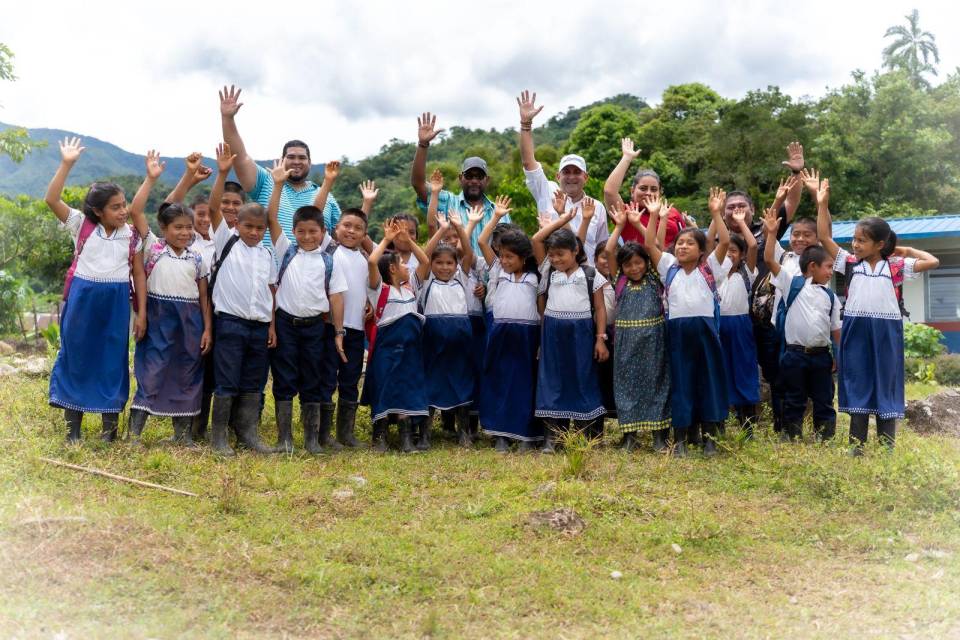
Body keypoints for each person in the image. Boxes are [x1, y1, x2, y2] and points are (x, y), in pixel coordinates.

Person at [815, 178, 940, 453]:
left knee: (886, 381)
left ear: (880, 244)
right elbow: (823, 237)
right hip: (856, 329)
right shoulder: (849, 264)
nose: (855, 244)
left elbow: (933, 261)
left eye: (862, 241)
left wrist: (907, 250)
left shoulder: (896, 266)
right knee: (858, 379)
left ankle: (887, 446)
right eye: (855, 240)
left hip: (886, 332)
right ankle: (856, 446)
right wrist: (822, 204)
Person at [44, 137, 146, 443]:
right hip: (82, 299)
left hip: (117, 303)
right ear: (98, 212)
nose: (123, 211)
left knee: (113, 360)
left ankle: (108, 431)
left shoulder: (131, 235)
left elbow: (139, 273)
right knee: (77, 355)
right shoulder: (81, 225)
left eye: (124, 204)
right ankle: (71, 430)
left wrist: (141, 313)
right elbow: (51, 199)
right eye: (115, 207)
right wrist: (67, 163)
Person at [127, 152, 212, 445]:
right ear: (164, 229)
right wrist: (151, 179)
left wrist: (208, 329)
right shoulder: (153, 247)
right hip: (159, 317)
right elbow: (136, 210)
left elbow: (203, 297)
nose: (185, 232)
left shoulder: (197, 258)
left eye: (189, 228)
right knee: (152, 370)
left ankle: (183, 436)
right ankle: (134, 433)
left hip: (190, 321)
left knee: (187, 372)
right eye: (178, 227)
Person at [266, 160, 349, 454]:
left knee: (313, 379)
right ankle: (284, 439)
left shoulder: (330, 260)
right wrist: (276, 184)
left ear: (323, 231)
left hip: (316, 327)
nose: (307, 237)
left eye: (313, 232)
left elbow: (337, 297)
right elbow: (272, 219)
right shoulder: (286, 250)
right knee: (285, 378)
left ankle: (312, 440)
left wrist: (338, 332)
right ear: (294, 231)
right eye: (301, 231)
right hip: (286, 325)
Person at [644, 188, 730, 457]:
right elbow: (649, 245)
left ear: (702, 250)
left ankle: (711, 439)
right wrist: (655, 217)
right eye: (679, 243)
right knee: (682, 384)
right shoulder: (669, 267)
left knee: (710, 382)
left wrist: (716, 213)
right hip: (678, 333)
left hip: (705, 331)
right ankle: (680, 439)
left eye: (689, 243)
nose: (682, 246)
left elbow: (724, 242)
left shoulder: (710, 268)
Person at [206, 143, 277, 456]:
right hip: (231, 324)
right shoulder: (226, 240)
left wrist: (272, 326)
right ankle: (218, 437)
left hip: (259, 327)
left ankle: (248, 433)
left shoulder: (266, 254)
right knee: (227, 380)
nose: (254, 232)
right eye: (248, 226)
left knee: (253, 382)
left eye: (260, 228)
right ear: (236, 223)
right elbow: (211, 210)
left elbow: (270, 293)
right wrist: (222, 173)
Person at [218, 85, 341, 246]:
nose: (296, 161)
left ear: (310, 163)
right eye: (291, 157)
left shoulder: (326, 196)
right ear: (282, 160)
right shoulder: (266, 181)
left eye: (302, 158)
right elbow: (240, 157)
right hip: (265, 269)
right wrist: (228, 119)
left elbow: (343, 234)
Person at [532, 212, 609, 453]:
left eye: (560, 254)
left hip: (581, 334)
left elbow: (599, 308)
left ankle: (586, 436)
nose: (555, 259)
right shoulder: (548, 272)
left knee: (582, 378)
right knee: (552, 381)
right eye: (552, 254)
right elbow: (536, 240)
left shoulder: (590, 274)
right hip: (553, 334)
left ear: (575, 250)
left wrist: (600, 339)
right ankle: (552, 438)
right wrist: (562, 219)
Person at [763, 206, 841, 442]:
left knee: (823, 398)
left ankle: (824, 436)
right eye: (828, 267)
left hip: (821, 356)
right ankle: (791, 433)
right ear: (812, 267)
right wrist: (770, 233)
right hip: (794, 354)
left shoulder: (831, 296)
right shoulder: (791, 283)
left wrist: (837, 354)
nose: (831, 272)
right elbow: (768, 259)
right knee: (793, 396)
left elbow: (836, 329)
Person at [604, 204, 671, 452]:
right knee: (625, 387)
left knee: (657, 384)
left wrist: (649, 219)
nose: (634, 268)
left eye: (638, 263)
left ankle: (659, 437)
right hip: (625, 343)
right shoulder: (619, 281)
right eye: (628, 265)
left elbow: (653, 246)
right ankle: (629, 437)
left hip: (654, 340)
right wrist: (621, 225)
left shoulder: (655, 277)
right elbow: (610, 249)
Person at [414, 201, 480, 448]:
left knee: (462, 382)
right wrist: (441, 231)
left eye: (449, 263)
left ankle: (463, 432)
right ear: (431, 265)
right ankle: (425, 435)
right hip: (432, 339)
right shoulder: (426, 280)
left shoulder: (461, 278)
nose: (444, 267)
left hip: (460, 340)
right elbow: (424, 254)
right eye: (439, 263)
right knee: (430, 382)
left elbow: (469, 254)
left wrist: (461, 227)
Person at [476, 202, 542, 451]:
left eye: (509, 257)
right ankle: (500, 434)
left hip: (527, 335)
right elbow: (483, 241)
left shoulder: (535, 277)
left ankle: (526, 435)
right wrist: (495, 216)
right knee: (499, 380)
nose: (503, 260)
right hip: (500, 332)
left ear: (523, 258)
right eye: (501, 255)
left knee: (525, 383)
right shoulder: (497, 269)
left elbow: (540, 308)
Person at [517, 91, 609, 266]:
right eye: (567, 172)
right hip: (551, 278)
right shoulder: (548, 191)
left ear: (586, 177)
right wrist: (525, 124)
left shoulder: (596, 207)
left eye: (577, 172)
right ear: (558, 176)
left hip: (586, 280)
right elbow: (529, 162)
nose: (571, 177)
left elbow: (601, 248)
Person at [362, 219, 430, 453]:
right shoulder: (379, 289)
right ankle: (379, 436)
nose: (407, 267)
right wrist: (388, 240)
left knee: (407, 390)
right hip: (387, 350)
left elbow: (425, 260)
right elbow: (372, 260)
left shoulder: (411, 286)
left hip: (411, 350)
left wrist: (408, 240)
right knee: (384, 388)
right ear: (391, 269)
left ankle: (406, 438)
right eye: (401, 263)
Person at [410, 112, 510, 252]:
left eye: (479, 176)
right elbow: (418, 183)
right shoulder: (447, 201)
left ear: (487, 180)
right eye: (469, 175)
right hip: (452, 273)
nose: (474, 180)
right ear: (460, 178)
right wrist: (423, 144)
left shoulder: (499, 212)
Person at [716, 210, 760, 437]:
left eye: (734, 251)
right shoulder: (713, 274)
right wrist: (718, 219)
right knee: (720, 372)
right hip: (717, 326)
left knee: (744, 371)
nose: (729, 255)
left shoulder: (747, 272)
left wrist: (741, 223)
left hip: (741, 327)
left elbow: (753, 246)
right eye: (726, 250)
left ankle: (748, 425)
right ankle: (719, 422)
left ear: (741, 256)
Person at [603, 139, 688, 247]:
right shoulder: (627, 214)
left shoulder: (671, 212)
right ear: (632, 191)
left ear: (660, 192)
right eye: (643, 188)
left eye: (653, 189)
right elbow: (609, 191)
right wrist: (627, 158)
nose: (648, 193)